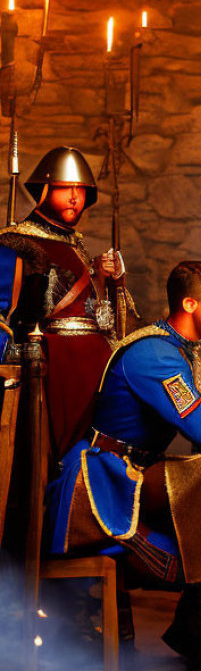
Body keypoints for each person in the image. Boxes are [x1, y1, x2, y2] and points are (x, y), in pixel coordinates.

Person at [45, 261, 201, 670]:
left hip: (135, 471)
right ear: (190, 303)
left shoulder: (177, 349)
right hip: (102, 482)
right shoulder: (153, 355)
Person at [0, 146, 132, 455]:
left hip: (95, 370)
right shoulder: (15, 242)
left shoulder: (78, 246)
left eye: (80, 189)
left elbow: (98, 319)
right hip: (51, 369)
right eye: (64, 188)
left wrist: (103, 280)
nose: (74, 197)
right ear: (44, 190)